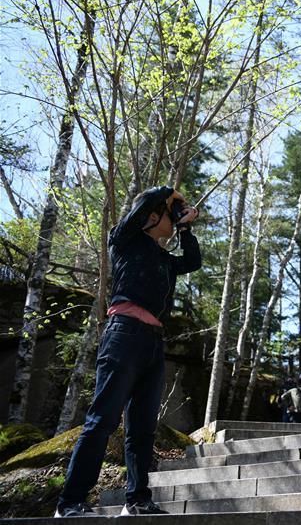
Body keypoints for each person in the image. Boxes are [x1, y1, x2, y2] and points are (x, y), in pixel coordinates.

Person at [55, 187, 200, 518]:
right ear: (151, 216)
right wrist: (169, 193)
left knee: (142, 429)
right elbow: (146, 205)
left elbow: (193, 261)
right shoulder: (123, 240)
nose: (174, 215)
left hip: (152, 342)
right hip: (123, 335)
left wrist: (185, 227)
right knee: (102, 420)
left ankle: (136, 500)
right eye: (169, 212)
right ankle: (70, 502)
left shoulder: (163, 258)